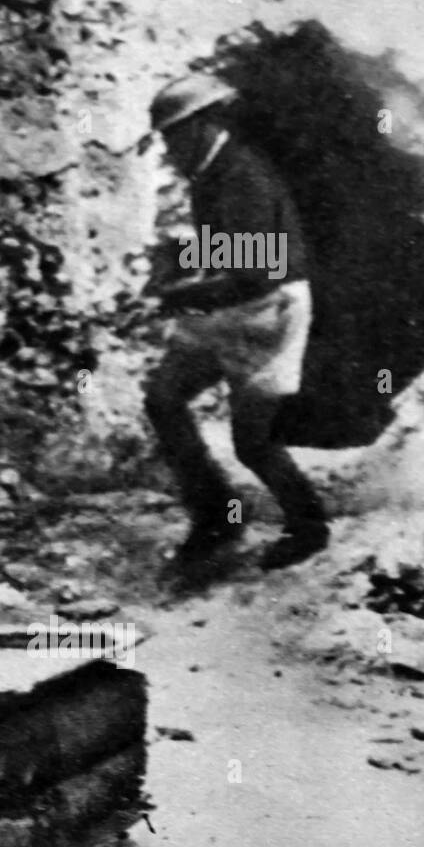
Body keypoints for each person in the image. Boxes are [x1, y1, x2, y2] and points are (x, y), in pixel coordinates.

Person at [143, 72, 329, 581]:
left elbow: (255, 270)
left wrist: (179, 293)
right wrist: (181, 265)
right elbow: (229, 253)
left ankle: (309, 527)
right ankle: (215, 515)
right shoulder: (212, 172)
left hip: (267, 312)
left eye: (173, 135)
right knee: (163, 396)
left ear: (202, 126)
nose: (168, 147)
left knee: (253, 441)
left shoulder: (241, 177)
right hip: (236, 306)